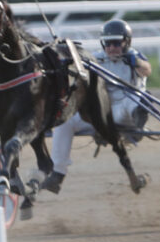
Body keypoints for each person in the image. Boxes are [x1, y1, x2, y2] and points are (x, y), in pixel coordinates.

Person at [41, 19, 152, 194]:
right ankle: (58, 173)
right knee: (65, 121)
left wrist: (135, 62)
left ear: (127, 42)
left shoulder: (134, 56)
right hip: (99, 112)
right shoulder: (95, 58)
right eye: (108, 43)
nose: (111, 47)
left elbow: (147, 69)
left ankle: (130, 127)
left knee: (126, 108)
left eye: (116, 43)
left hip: (126, 106)